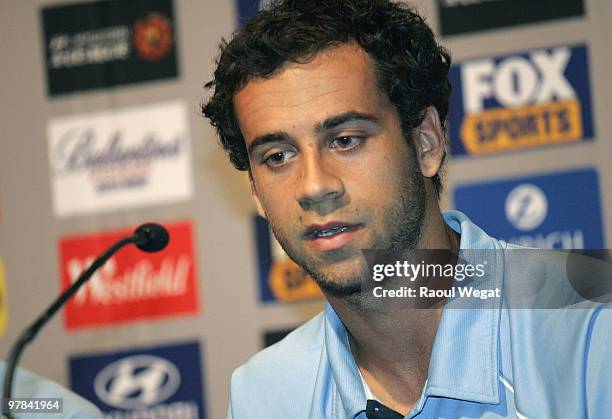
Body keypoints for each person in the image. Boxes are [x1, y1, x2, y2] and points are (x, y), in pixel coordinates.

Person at [202, 1, 611, 418]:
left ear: (425, 144)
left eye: (345, 140)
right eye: (277, 156)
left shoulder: (594, 325)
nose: (314, 186)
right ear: (255, 190)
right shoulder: (264, 395)